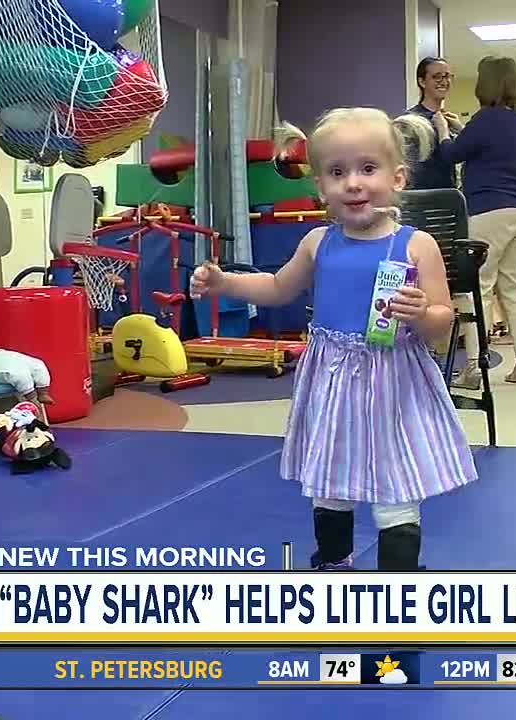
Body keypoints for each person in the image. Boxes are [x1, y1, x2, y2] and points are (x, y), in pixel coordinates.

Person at [190, 107, 478, 571]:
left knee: (395, 482)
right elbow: (278, 287)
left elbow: (444, 320)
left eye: (368, 169)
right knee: (331, 478)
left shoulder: (414, 244)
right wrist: (226, 283)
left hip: (393, 382)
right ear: (321, 186)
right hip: (331, 378)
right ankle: (333, 564)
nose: (353, 183)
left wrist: (424, 312)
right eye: (337, 172)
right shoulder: (318, 242)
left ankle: (398, 584)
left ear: (398, 177)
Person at [430, 55, 516, 387]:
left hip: (490, 210)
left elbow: (450, 155)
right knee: (514, 286)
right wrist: (465, 131)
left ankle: (474, 367)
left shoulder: (485, 119)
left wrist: (442, 131)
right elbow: (492, 147)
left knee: (477, 288)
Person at [406, 57, 462, 190]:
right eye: (437, 77)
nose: (444, 81)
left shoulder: (449, 121)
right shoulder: (411, 121)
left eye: (447, 76)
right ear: (422, 82)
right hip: (422, 199)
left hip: (449, 195)